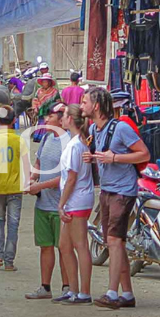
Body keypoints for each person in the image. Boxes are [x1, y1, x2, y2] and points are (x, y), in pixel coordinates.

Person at [80, 87, 150, 309]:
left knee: (114, 240)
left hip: (122, 190)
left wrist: (115, 158)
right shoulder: (95, 129)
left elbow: (144, 154)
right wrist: (95, 159)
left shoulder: (120, 128)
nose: (82, 106)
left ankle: (112, 292)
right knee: (114, 242)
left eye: (84, 102)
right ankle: (127, 294)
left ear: (97, 106)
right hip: (108, 189)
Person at [24, 103, 70, 300]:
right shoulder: (46, 139)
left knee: (64, 248)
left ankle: (68, 287)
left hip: (62, 205)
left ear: (61, 120)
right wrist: (32, 178)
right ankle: (45, 286)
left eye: (49, 117)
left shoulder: (70, 143)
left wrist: (39, 186)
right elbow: (39, 162)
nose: (45, 120)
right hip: (43, 203)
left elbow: (66, 178)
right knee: (45, 246)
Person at [57, 104, 96, 305]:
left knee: (80, 245)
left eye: (63, 115)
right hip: (77, 198)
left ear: (70, 119)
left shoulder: (75, 145)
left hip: (77, 199)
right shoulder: (78, 142)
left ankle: (84, 291)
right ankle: (73, 289)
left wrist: (61, 204)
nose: (61, 119)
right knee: (64, 245)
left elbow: (71, 177)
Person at [0, 105, 30, 271]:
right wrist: (27, 184)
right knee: (13, 224)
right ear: (14, 121)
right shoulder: (20, 140)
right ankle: (9, 262)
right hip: (16, 188)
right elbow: (26, 164)